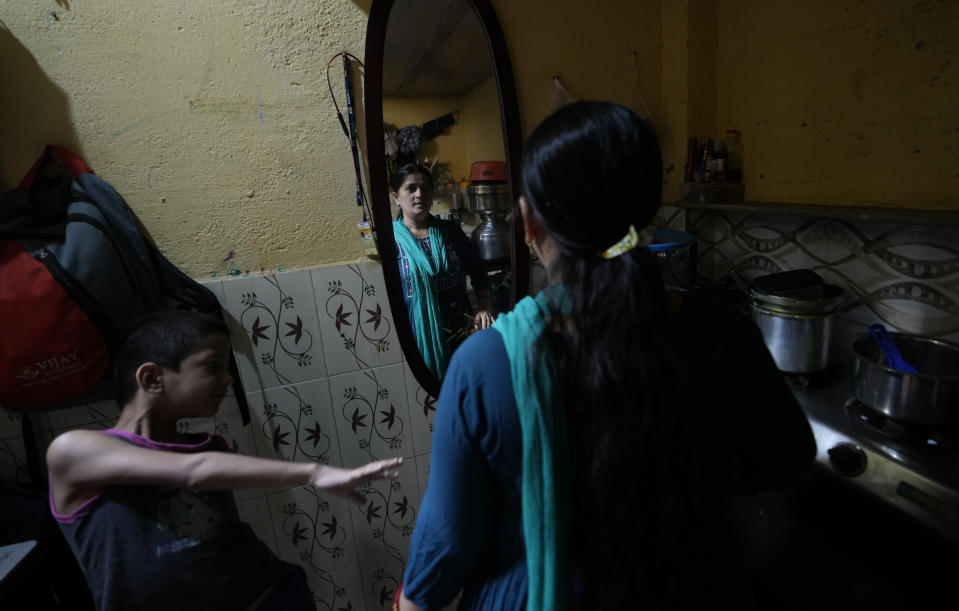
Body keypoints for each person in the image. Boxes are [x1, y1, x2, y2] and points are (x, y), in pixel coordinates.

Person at [397, 102, 817, 610]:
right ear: (645, 212)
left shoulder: (485, 367)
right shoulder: (726, 332)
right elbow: (784, 462)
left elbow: (437, 566)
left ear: (529, 225)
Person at [46, 311, 403, 611]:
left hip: (269, 596)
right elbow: (194, 473)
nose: (227, 378)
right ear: (152, 377)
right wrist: (316, 472)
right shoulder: (74, 451)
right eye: (212, 366)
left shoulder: (208, 446)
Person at [391, 163, 494, 379]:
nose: (420, 194)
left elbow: (477, 269)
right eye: (411, 188)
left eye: (426, 188)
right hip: (419, 339)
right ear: (396, 197)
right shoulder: (390, 242)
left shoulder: (450, 231)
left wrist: (483, 305)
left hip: (462, 336)